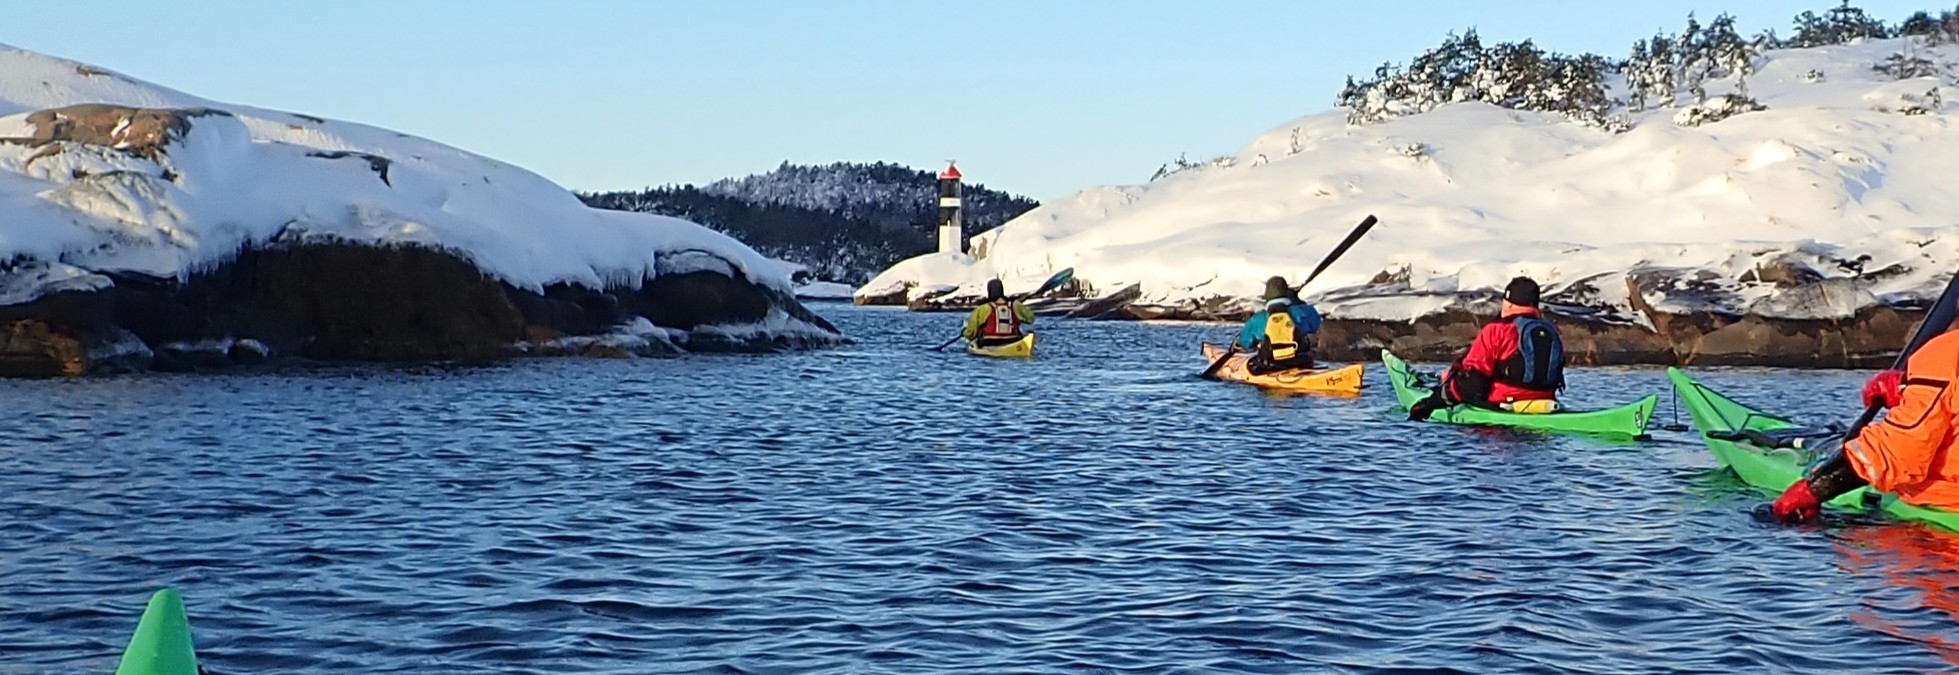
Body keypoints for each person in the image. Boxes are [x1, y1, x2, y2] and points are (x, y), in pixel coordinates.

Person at [1767, 328, 1959, 521]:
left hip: (1945, 510)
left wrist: (1814, 489)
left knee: (1855, 548)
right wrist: (1910, 386)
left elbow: (1897, 453)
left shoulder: (1946, 354)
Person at [1409, 276, 1565, 420]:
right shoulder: (1552, 331)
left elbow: (1472, 383)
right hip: (1545, 403)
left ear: (1508, 303)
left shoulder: (1497, 331)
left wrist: (1434, 401)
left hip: (1501, 408)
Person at [1233, 276, 1323, 374]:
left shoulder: (1258, 319)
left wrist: (1237, 344)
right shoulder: (1304, 312)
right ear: (1286, 292)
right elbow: (1316, 324)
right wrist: (1299, 303)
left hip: (1270, 366)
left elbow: (1245, 343)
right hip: (1301, 362)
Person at [963, 278, 1035, 347]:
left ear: (989, 291)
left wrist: (965, 333)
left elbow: (970, 333)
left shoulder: (983, 308)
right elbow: (1031, 319)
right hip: (1013, 340)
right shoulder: (1015, 305)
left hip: (989, 342)